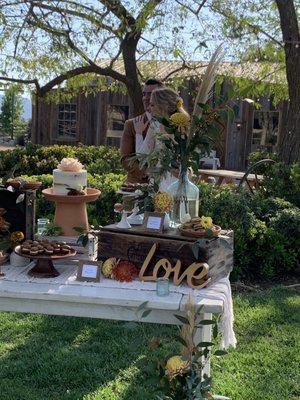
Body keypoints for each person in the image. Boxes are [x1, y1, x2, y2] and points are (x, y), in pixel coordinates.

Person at [138, 87, 190, 191]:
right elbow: (141, 156)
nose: (149, 108)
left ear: (164, 106)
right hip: (159, 182)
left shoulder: (183, 128)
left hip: (179, 182)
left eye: (152, 104)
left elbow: (190, 159)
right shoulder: (154, 127)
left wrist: (186, 169)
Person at [120, 78, 164, 183]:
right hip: (136, 184)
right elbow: (125, 158)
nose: (145, 98)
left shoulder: (174, 124)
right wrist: (146, 172)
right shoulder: (131, 124)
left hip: (166, 183)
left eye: (150, 94)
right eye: (144, 94)